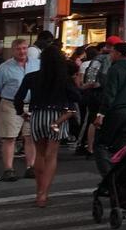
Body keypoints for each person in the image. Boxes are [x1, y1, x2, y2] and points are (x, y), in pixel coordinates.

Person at [11, 44, 79, 207]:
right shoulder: (64, 78)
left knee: (40, 154)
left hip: (37, 116)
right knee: (51, 156)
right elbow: (77, 96)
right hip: (57, 116)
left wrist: (22, 113)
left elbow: (18, 98)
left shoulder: (32, 77)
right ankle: (44, 194)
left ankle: (38, 191)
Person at [90, 42, 126, 180]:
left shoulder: (115, 69)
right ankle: (123, 178)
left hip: (117, 110)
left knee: (100, 144)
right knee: (123, 146)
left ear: (119, 53)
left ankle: (110, 179)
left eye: (112, 52)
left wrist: (100, 114)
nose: (110, 55)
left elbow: (110, 93)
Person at [0, 39, 40, 181]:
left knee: (30, 137)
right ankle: (8, 169)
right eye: (19, 49)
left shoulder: (37, 64)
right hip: (10, 104)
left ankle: (30, 167)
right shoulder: (4, 67)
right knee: (9, 137)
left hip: (32, 104)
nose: (22, 51)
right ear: (13, 50)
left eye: (24, 48)